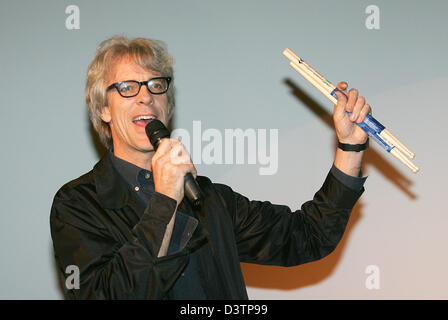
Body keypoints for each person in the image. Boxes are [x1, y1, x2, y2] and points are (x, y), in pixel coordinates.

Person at [50, 36, 370, 299]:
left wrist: (350, 147)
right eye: (127, 87)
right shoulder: (77, 204)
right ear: (103, 108)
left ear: (168, 104)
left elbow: (308, 237)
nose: (146, 97)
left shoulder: (208, 199)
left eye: (155, 85)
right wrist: (164, 204)